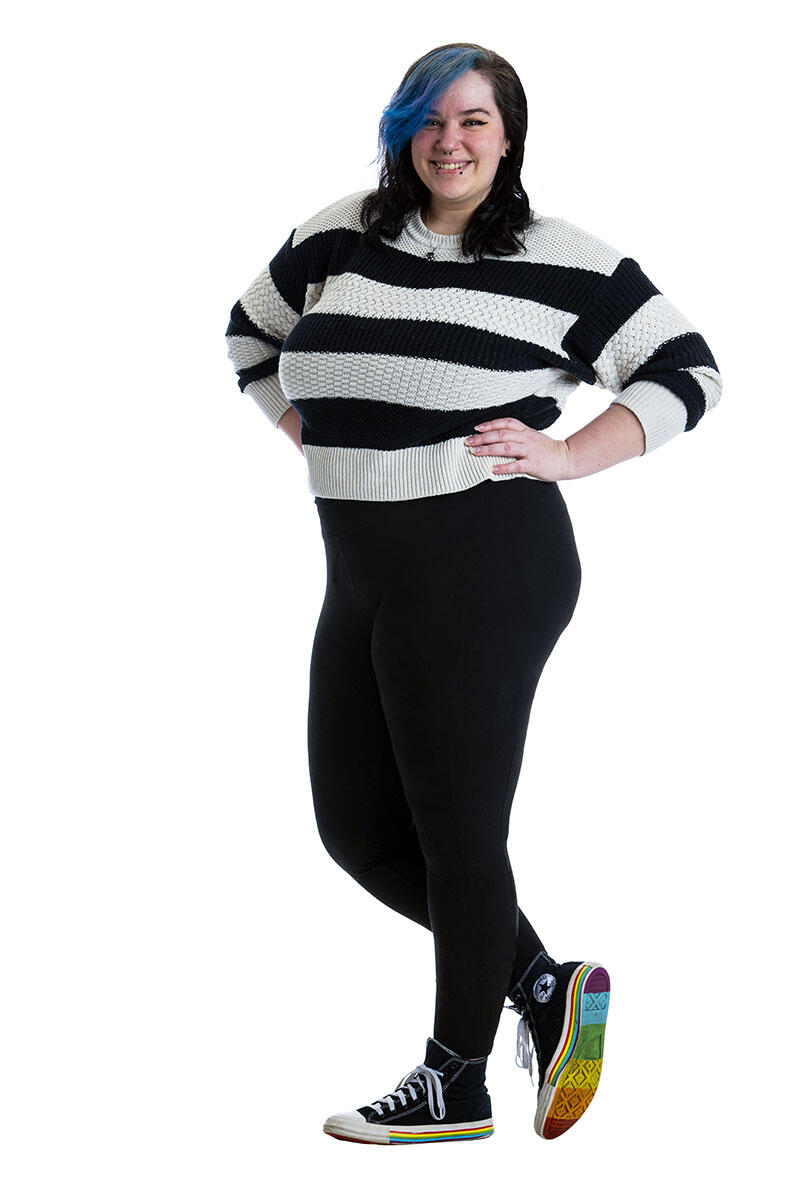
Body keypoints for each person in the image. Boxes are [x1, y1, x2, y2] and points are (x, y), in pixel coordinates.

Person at [225, 43, 722, 1146]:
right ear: (402, 129)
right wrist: (304, 425)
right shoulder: (338, 234)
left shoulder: (560, 258)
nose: (451, 140)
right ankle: (543, 984)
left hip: (485, 561)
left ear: (510, 136)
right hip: (358, 563)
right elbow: (248, 334)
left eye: (476, 121)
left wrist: (574, 455)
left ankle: (457, 1076)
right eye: (430, 118)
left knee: (457, 833)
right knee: (357, 830)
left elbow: (689, 369)